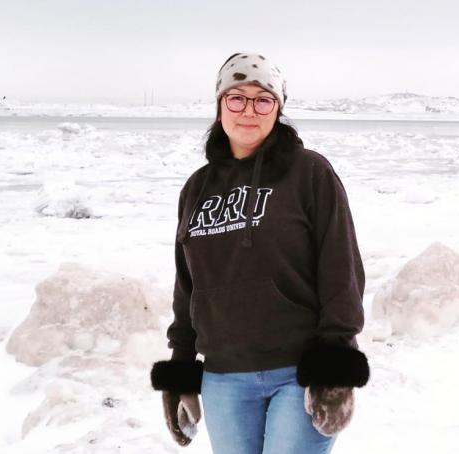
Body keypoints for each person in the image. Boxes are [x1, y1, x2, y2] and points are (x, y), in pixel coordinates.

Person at [150, 52, 369, 454]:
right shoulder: (196, 189)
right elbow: (189, 284)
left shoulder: (310, 173)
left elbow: (342, 269)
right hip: (224, 377)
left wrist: (335, 363)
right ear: (220, 105)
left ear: (277, 109)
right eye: (237, 97)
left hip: (299, 372)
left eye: (262, 99)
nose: (249, 110)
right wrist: (181, 365)